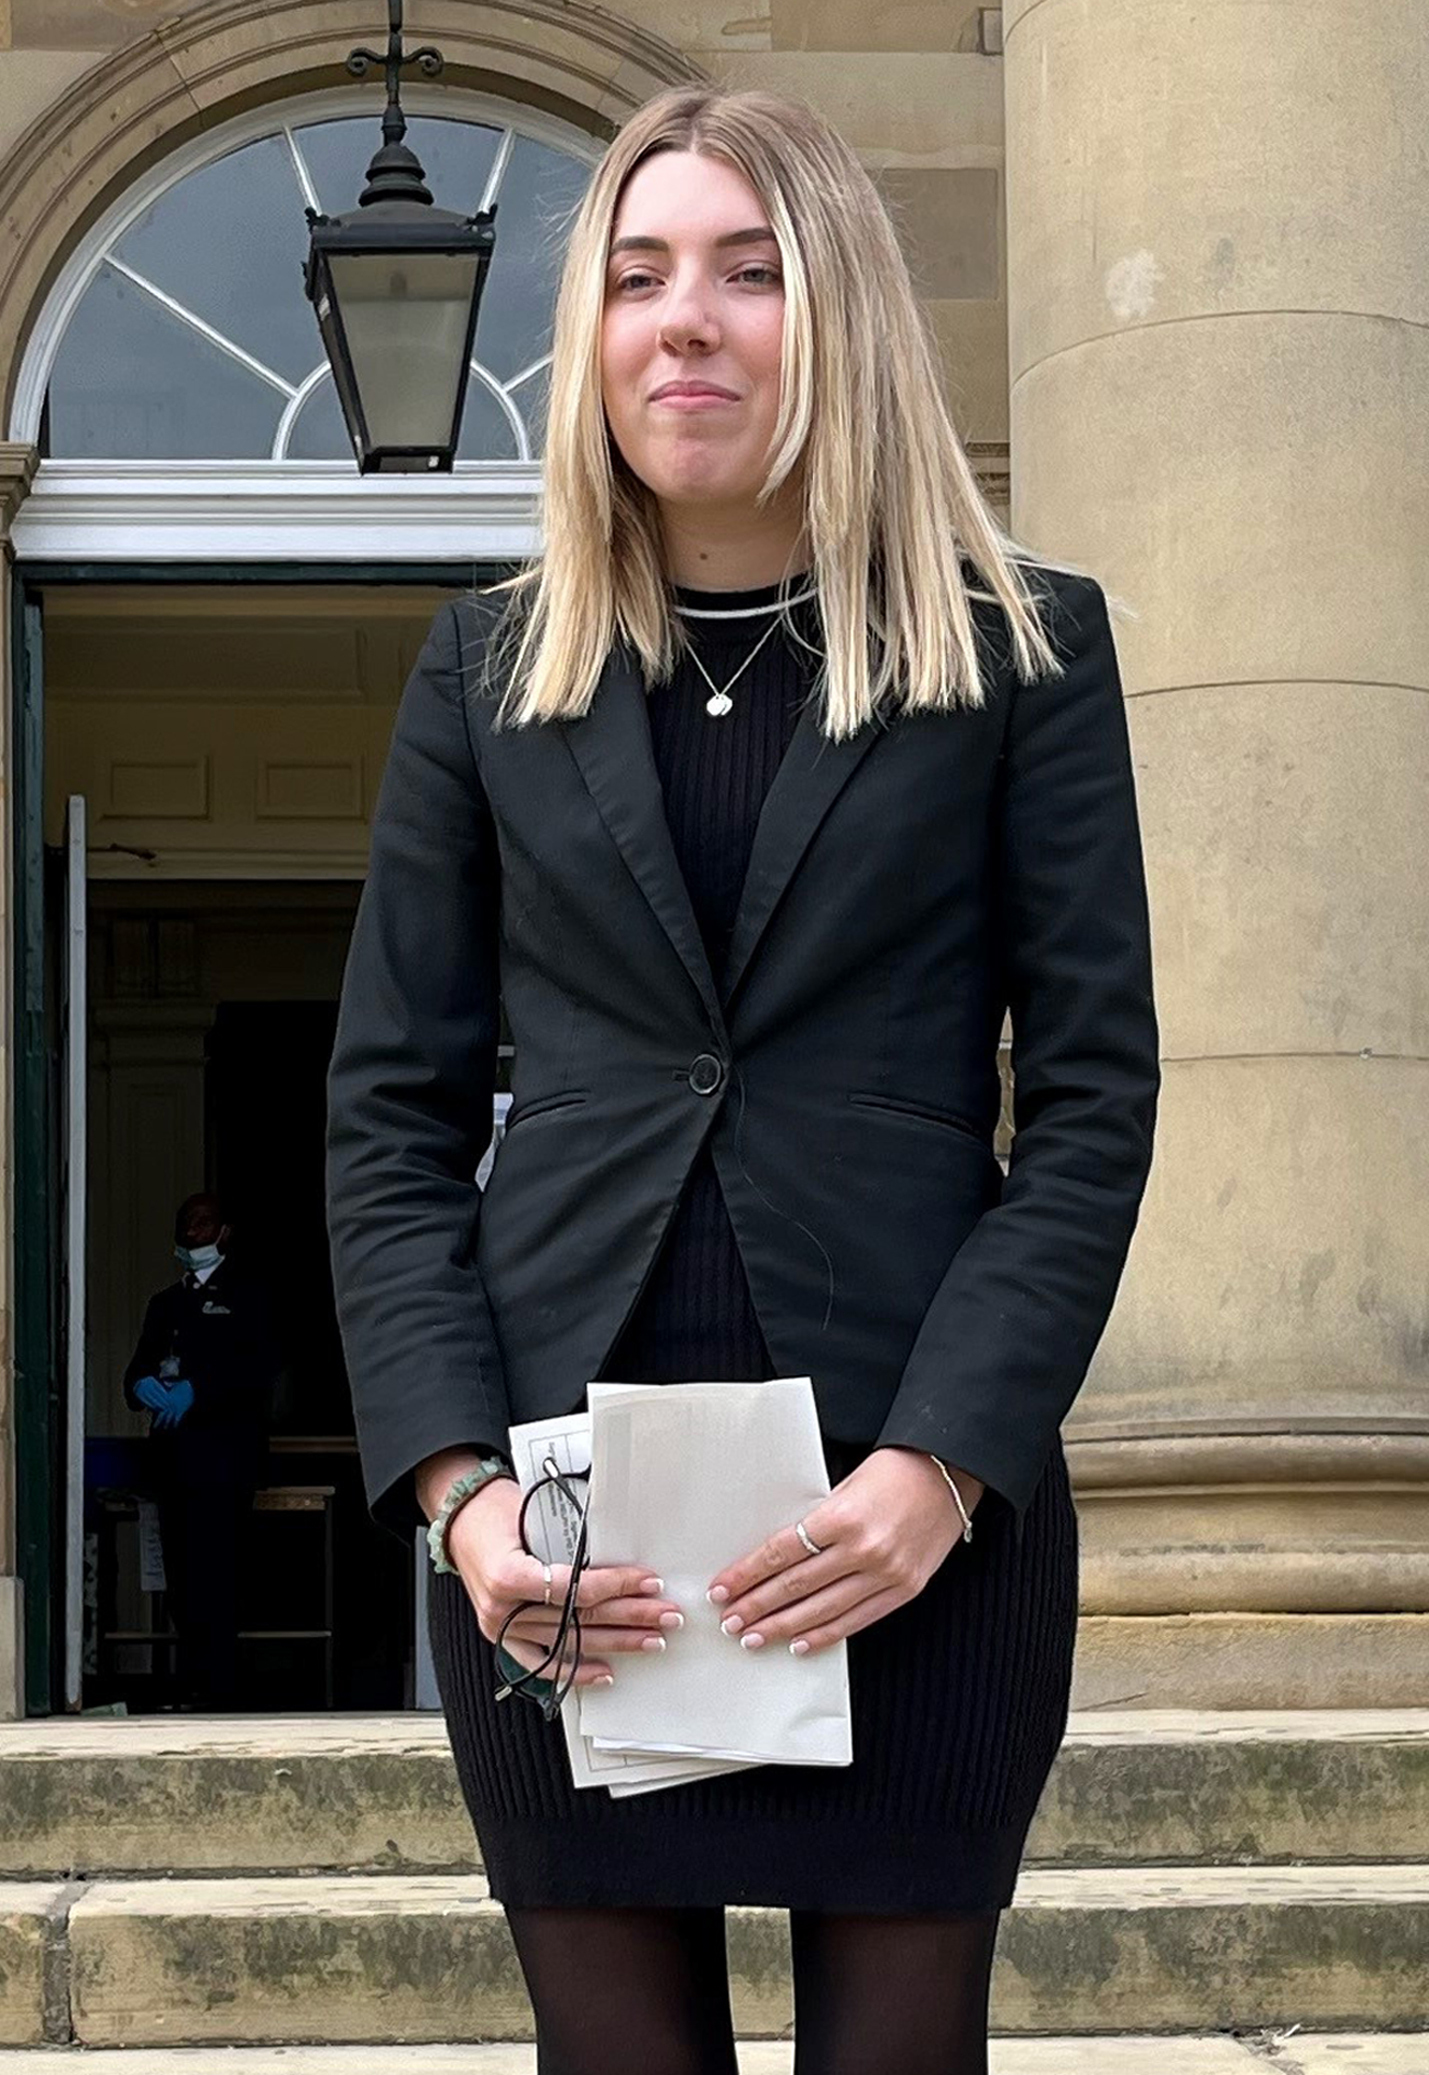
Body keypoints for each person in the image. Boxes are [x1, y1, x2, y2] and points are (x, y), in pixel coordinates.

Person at [325, 82, 1160, 2075]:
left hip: (910, 1513)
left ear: (842, 312)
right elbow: (388, 1117)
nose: (677, 319)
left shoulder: (1022, 650)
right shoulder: (483, 671)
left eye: (743, 268)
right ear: (588, 338)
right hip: (568, 1535)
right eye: (632, 274)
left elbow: (1093, 1103)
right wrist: (457, 1494)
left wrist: (943, 1463)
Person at [122, 1192, 281, 1711]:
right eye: (185, 1222)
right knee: (181, 1578)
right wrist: (142, 1384)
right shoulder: (164, 1303)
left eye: (204, 1222)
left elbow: (259, 1369)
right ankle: (191, 1684)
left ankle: (221, 1690)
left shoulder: (249, 1296)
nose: (193, 1232)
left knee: (220, 1573)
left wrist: (201, 1391)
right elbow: (135, 1371)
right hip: (173, 1462)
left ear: (225, 1232)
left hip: (225, 1461)